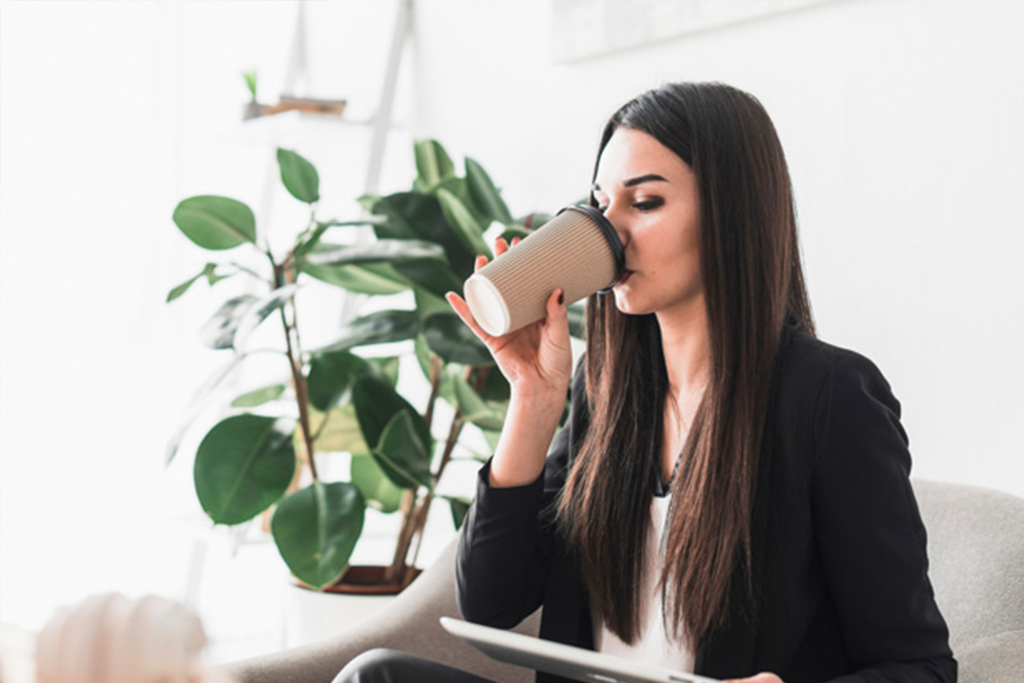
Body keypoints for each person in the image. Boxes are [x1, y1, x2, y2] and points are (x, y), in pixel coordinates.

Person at [334, 82, 956, 683]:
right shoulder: (604, 393)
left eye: (646, 202)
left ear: (732, 215)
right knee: (377, 677)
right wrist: (533, 399)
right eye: (601, 205)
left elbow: (922, 667)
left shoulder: (830, 398)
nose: (611, 234)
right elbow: (490, 604)